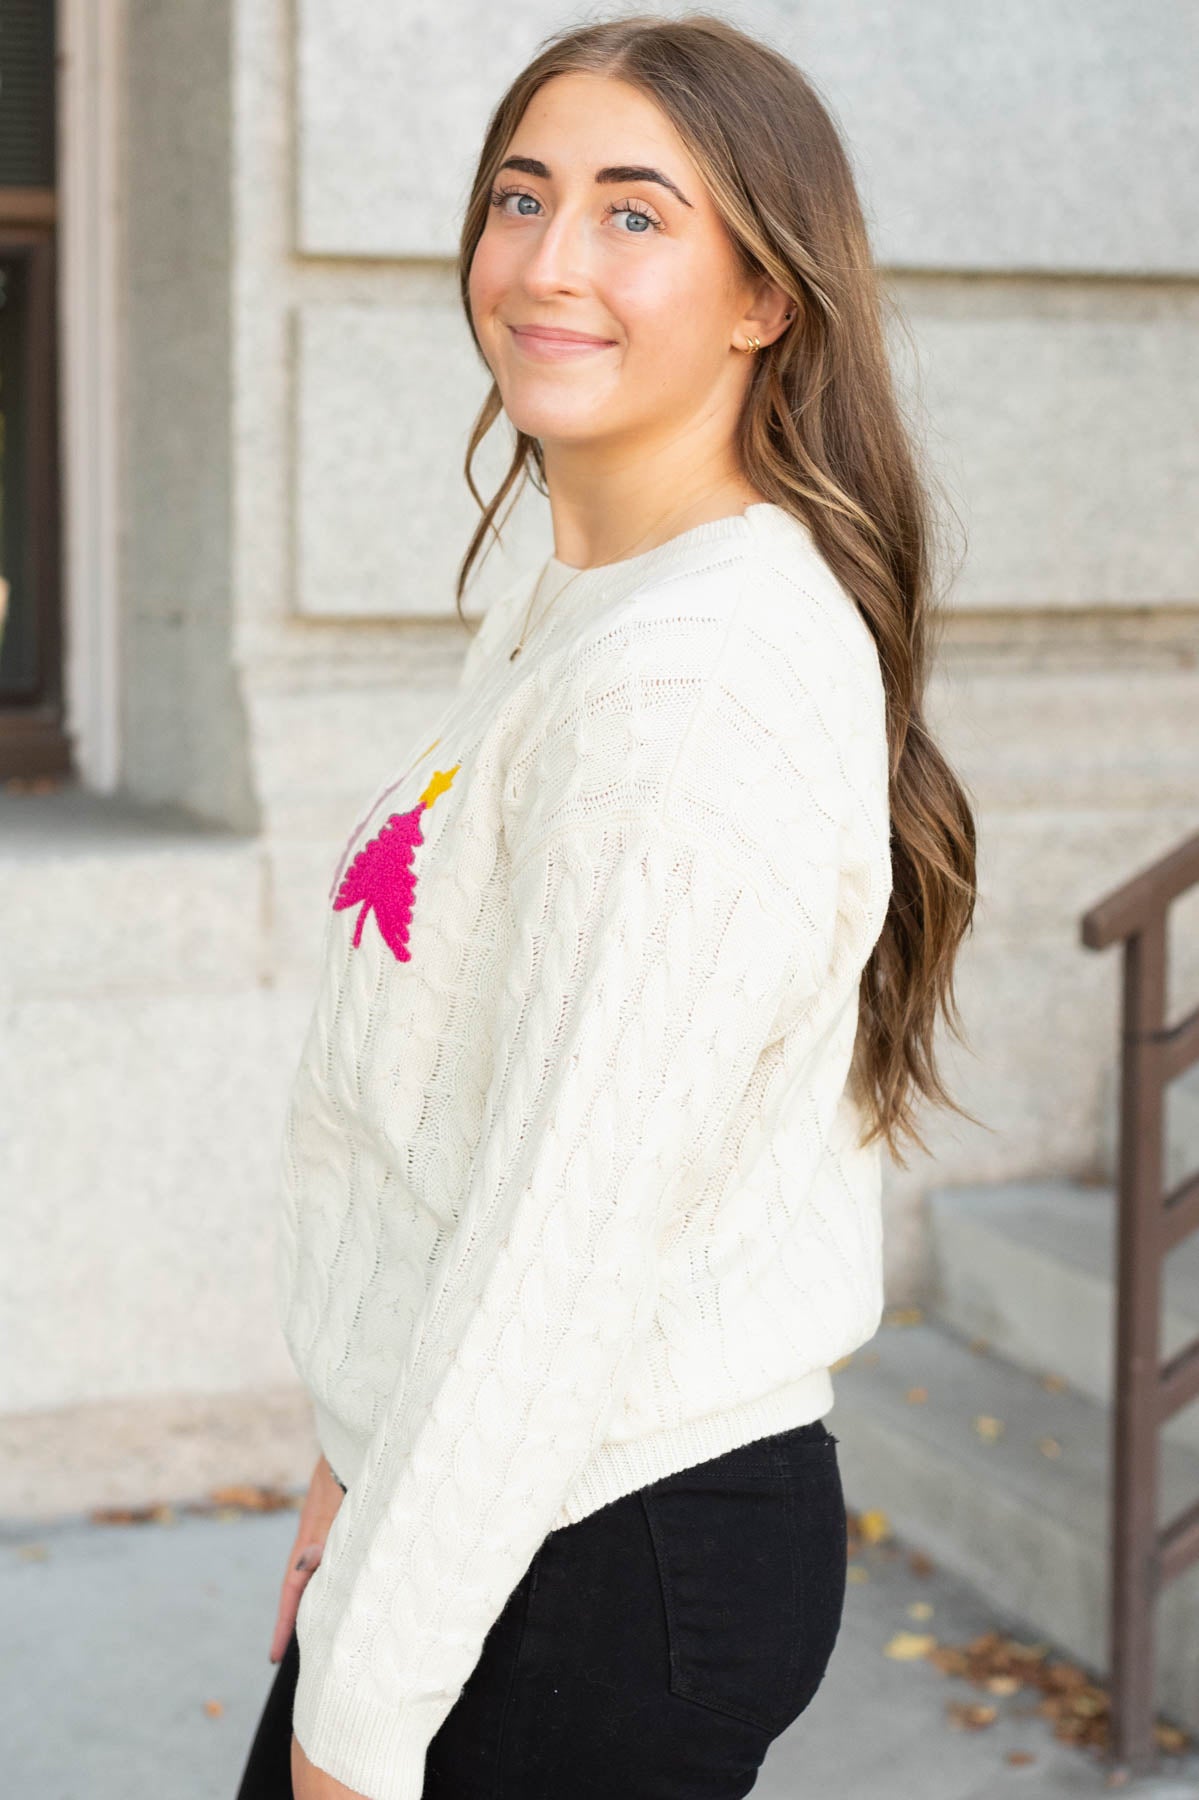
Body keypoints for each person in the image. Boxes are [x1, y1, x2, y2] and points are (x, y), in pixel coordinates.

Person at [236, 12, 977, 1799]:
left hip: (604, 1550)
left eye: (636, 214)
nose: (549, 264)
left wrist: (355, 1722)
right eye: (521, 196)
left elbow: (551, 1271)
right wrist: (356, 1452)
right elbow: (456, 1142)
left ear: (763, 297)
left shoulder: (685, 692)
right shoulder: (593, 600)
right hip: (515, 1500)